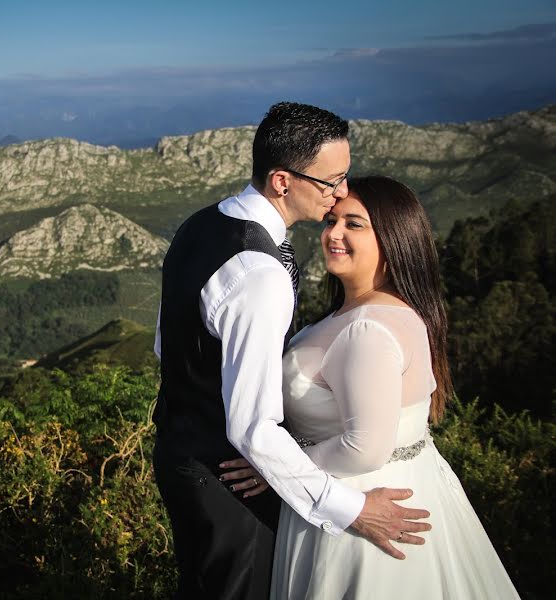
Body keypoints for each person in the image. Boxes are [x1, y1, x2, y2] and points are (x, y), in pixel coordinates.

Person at [152, 103, 431, 600]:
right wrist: (352, 510)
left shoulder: (201, 224)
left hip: (180, 454)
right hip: (231, 481)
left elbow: (165, 343)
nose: (341, 193)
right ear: (283, 180)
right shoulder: (260, 276)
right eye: (332, 182)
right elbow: (253, 430)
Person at [222, 176, 520, 598]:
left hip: (359, 514)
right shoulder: (383, 312)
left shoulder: (368, 329)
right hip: (377, 491)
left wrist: (275, 467)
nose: (333, 234)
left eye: (354, 224)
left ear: (393, 240)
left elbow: (365, 447)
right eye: (332, 221)